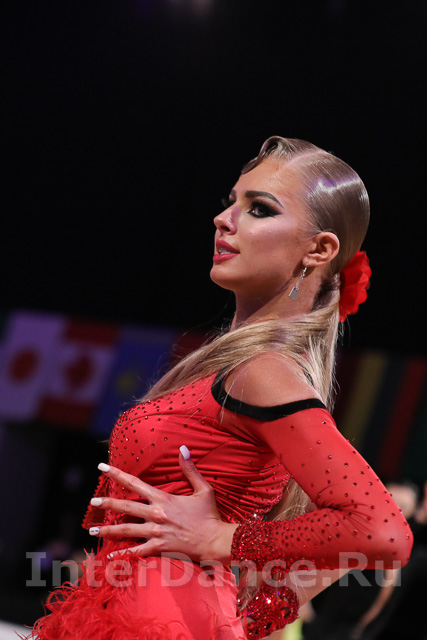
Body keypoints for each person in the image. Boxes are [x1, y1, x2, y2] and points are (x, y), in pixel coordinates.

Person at [27, 137, 413, 640]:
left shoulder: (265, 371)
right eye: (231, 201)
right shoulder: (241, 367)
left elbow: (381, 531)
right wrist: (244, 609)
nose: (223, 219)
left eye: (259, 208)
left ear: (319, 250)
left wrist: (220, 539)